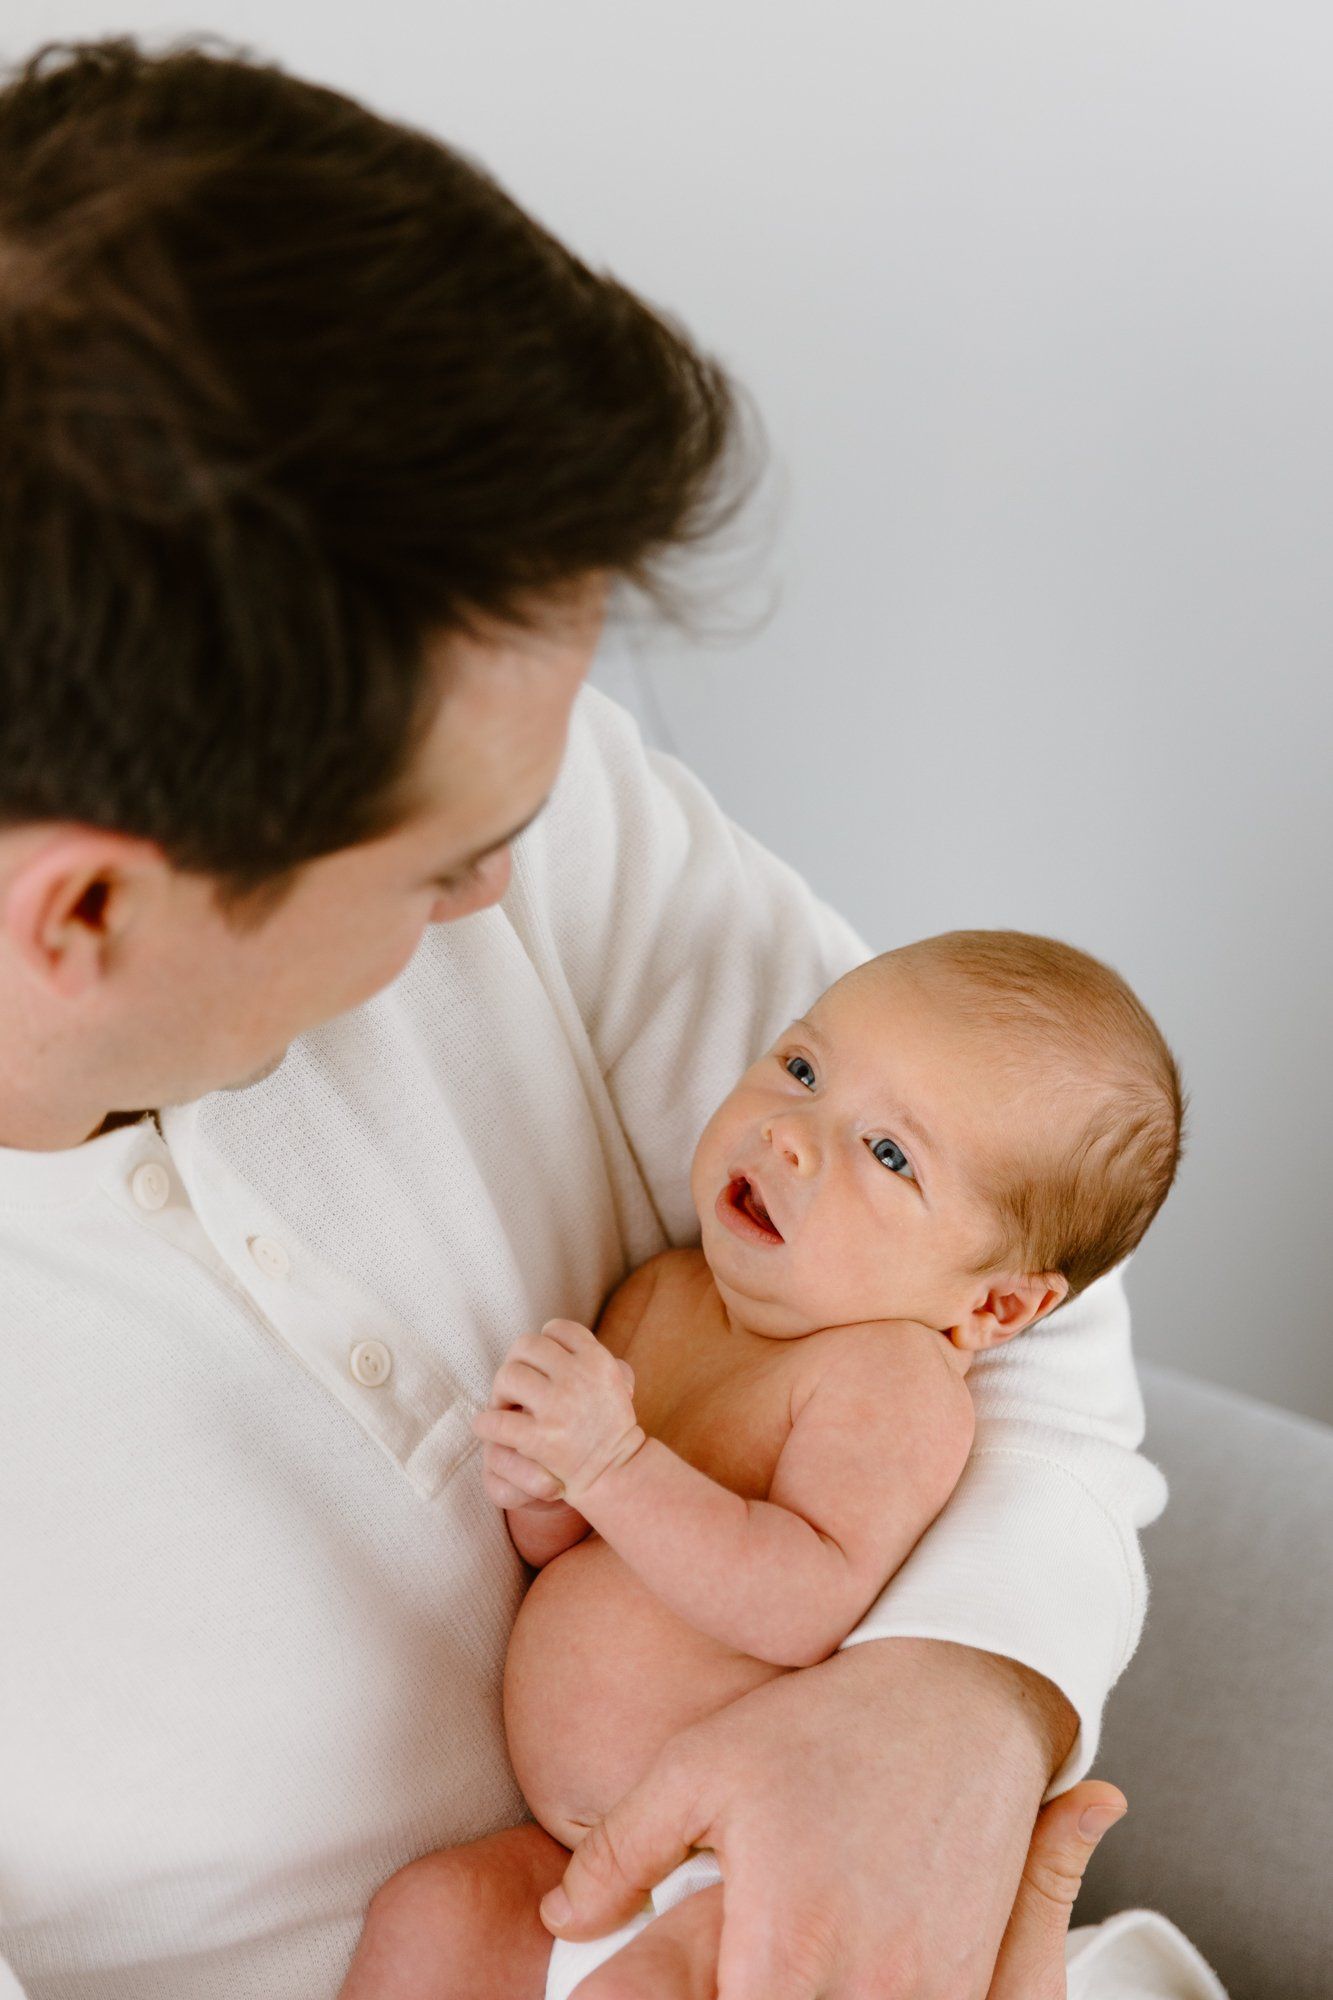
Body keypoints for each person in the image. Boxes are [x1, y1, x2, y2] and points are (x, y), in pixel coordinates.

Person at [0, 34, 1166, 2000]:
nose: (507, 892)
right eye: (446, 865)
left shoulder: (514, 772)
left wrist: (949, 1709)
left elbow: (1011, 1226)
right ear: (89, 913)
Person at [337, 932, 1183, 1999]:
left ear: (994, 1305)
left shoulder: (888, 1379)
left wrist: (613, 1462)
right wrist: (543, 1485)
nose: (790, 1136)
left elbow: (799, 1597)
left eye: (888, 1154)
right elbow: (582, 1554)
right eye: (800, 1068)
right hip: (574, 1850)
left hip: (753, 1874)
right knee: (429, 1917)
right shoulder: (668, 1295)